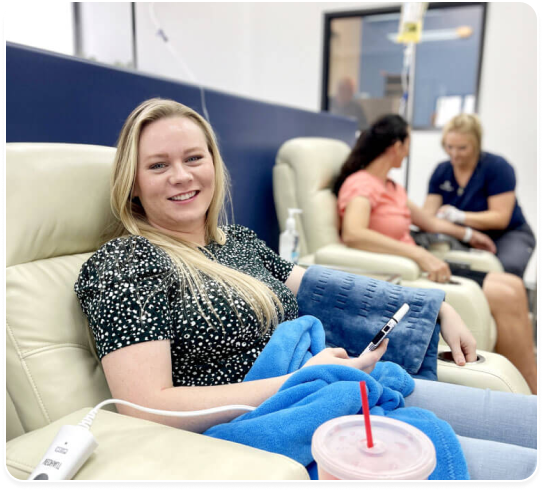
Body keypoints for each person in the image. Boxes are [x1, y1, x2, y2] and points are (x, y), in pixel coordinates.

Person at [75, 99, 536, 480]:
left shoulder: (236, 241)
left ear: (214, 164)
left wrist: (430, 306)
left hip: (329, 393)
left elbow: (322, 285)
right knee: (522, 466)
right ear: (133, 184)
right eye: (159, 165)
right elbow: (145, 408)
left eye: (194, 158)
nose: (182, 175)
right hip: (275, 425)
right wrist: (300, 378)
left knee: (527, 422)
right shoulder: (127, 263)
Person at [334, 114, 537, 394]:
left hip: (421, 262)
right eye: (408, 144)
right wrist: (418, 256)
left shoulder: (392, 188)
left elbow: (429, 222)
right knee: (508, 293)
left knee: (513, 286)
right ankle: (527, 396)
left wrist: (467, 233)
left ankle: (529, 391)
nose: (408, 152)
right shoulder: (361, 184)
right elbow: (353, 233)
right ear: (397, 146)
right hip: (408, 270)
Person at [423, 113, 535, 279]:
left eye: (462, 148)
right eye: (449, 146)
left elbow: (500, 218)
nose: (454, 154)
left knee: (504, 272)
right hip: (467, 234)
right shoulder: (442, 171)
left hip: (507, 234)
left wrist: (457, 216)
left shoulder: (497, 167)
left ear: (476, 145)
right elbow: (427, 216)